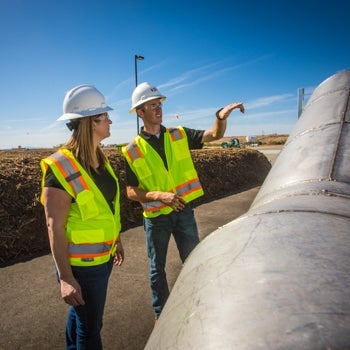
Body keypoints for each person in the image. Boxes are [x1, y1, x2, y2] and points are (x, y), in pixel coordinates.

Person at [122, 82, 244, 321]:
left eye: (159, 104)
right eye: (152, 105)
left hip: (184, 212)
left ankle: (200, 302)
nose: (158, 109)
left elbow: (215, 134)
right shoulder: (132, 150)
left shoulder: (179, 135)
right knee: (157, 269)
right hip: (156, 219)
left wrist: (220, 116)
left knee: (194, 260)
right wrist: (158, 195)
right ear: (140, 112)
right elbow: (130, 191)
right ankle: (161, 314)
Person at [40, 84, 124, 349]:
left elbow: (106, 207)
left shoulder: (101, 159)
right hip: (82, 267)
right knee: (91, 329)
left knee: (82, 318)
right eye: (105, 116)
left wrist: (116, 240)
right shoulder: (60, 167)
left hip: (104, 258)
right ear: (91, 122)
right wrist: (65, 278)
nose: (110, 120)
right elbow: (54, 226)